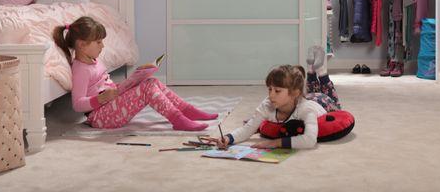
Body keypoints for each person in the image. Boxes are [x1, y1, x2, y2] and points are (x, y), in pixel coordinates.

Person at [53, 16, 217, 131]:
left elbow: (102, 84)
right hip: (101, 117)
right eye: (98, 42)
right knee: (146, 90)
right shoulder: (80, 69)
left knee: (151, 82)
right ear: (81, 45)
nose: (102, 46)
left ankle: (186, 110)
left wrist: (124, 85)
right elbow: (77, 104)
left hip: (111, 103)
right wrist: (102, 98)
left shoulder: (94, 60)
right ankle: (178, 120)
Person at [217, 46, 340, 149]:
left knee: (331, 97)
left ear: (294, 93)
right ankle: (310, 70)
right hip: (305, 97)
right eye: (270, 89)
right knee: (310, 91)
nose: (271, 95)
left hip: (322, 102)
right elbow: (248, 129)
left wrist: (275, 143)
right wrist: (228, 138)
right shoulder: (267, 104)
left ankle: (321, 71)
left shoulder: (305, 109)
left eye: (277, 91)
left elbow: (309, 140)